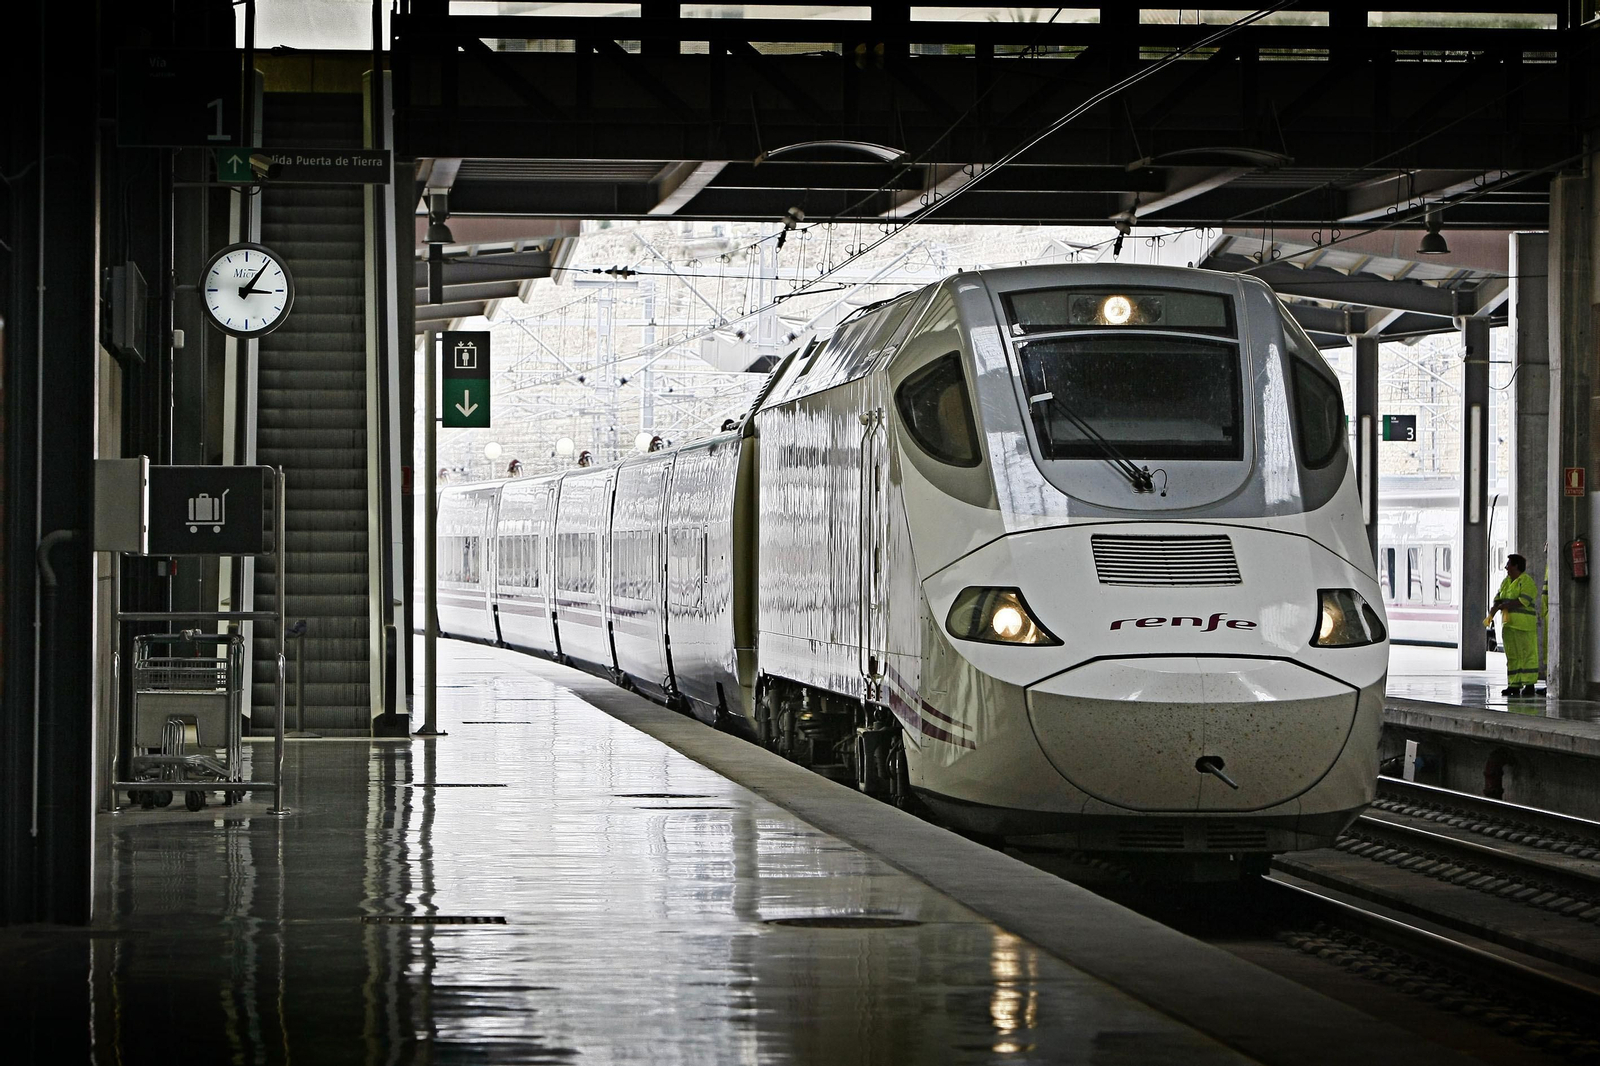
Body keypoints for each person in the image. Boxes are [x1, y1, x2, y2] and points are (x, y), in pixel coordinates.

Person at [1492, 554, 1540, 697]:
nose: (1506, 567)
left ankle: (1529, 685)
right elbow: (1498, 598)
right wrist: (1492, 611)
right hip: (1509, 626)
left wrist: (1505, 605)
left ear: (1516, 566)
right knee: (1512, 656)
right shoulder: (1506, 582)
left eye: (1508, 564)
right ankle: (1513, 685)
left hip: (1524, 626)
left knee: (1527, 655)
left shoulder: (1526, 582)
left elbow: (1523, 601)